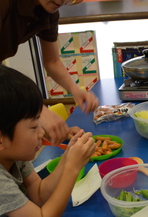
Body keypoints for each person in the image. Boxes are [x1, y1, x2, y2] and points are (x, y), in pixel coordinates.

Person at [0, 65, 96, 217]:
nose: (42, 132)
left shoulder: (14, 156)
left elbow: (39, 194)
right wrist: (72, 168)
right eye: (33, 127)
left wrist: (68, 156)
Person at [0, 0, 99, 145]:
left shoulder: (48, 12)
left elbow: (52, 62)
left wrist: (75, 90)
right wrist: (40, 111)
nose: (62, 1)